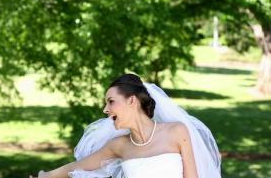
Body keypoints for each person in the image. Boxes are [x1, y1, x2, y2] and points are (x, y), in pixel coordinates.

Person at [30, 74, 220, 178]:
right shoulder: (119, 145)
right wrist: (45, 176)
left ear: (132, 101)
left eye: (111, 101)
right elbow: (79, 166)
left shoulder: (177, 131)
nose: (105, 109)